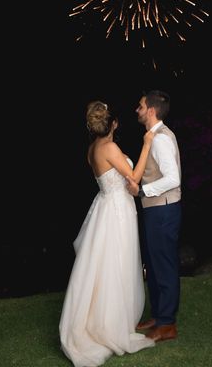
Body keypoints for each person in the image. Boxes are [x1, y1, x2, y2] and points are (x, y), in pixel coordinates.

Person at [59, 100, 156, 367]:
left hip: (105, 205)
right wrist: (147, 144)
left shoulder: (93, 148)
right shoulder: (110, 147)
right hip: (116, 210)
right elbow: (134, 176)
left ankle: (106, 318)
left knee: (104, 266)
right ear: (114, 123)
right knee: (116, 263)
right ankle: (110, 325)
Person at [125, 90, 182, 342]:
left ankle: (167, 324)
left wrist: (142, 190)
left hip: (164, 209)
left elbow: (173, 179)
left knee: (164, 265)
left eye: (140, 106)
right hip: (157, 209)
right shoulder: (154, 136)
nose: (136, 110)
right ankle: (159, 316)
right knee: (154, 263)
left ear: (151, 110)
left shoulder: (160, 139)